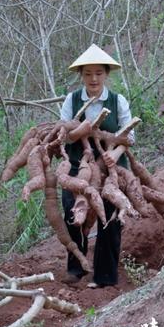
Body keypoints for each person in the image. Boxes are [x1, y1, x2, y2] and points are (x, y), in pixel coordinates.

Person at [59, 44, 135, 288]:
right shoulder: (71, 101)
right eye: (88, 73)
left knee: (110, 219)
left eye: (98, 73)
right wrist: (81, 132)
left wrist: (115, 152)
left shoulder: (117, 101)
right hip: (77, 167)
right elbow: (64, 134)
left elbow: (129, 136)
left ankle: (105, 276)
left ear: (106, 75)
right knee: (74, 213)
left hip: (112, 168)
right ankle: (77, 269)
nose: (93, 79)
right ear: (81, 75)